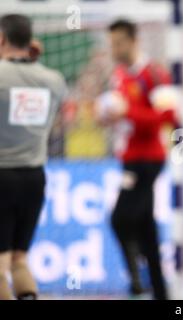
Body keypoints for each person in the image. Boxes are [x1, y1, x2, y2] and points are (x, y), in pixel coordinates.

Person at [99, 19, 177, 299]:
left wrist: (126, 114)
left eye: (118, 42)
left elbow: (168, 117)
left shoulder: (153, 73)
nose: (114, 48)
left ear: (133, 41)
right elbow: (120, 116)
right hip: (129, 158)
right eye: (111, 43)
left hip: (148, 159)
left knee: (120, 219)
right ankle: (159, 290)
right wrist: (108, 117)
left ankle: (136, 282)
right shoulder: (119, 75)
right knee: (145, 229)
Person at [0, 14, 66, 300]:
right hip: (34, 179)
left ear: (1, 40)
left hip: (2, 176)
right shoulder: (54, 81)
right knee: (19, 259)